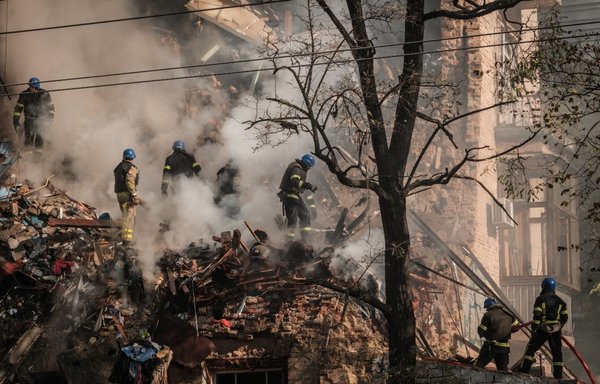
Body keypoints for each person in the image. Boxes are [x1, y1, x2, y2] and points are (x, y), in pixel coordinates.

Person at [519, 276, 568, 379]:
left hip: (543, 329)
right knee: (557, 353)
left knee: (531, 349)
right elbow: (565, 317)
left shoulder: (540, 299)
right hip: (555, 331)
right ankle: (558, 377)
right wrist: (559, 326)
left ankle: (524, 372)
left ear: (543, 286)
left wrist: (534, 330)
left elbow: (537, 316)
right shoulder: (560, 302)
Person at [277, 153, 317, 241]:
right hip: (289, 195)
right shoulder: (297, 168)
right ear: (307, 165)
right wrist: (308, 185)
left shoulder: (299, 168)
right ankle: (288, 241)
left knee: (305, 215)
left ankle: (305, 239)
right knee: (292, 219)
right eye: (309, 167)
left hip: (295, 195)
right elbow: (294, 181)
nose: (309, 169)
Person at [473, 297, 519, 371]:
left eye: (486, 308)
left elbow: (481, 330)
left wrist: (484, 335)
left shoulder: (488, 315)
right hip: (504, 347)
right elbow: (516, 327)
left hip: (491, 346)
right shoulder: (509, 314)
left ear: (488, 307)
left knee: (478, 365)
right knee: (503, 370)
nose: (487, 309)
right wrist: (507, 330)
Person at [13, 77, 55, 148]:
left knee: (39, 139)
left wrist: (49, 120)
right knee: (28, 140)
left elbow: (50, 108)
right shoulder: (24, 95)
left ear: (36, 87)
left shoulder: (44, 94)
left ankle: (38, 156)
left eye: (32, 87)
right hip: (29, 120)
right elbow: (18, 109)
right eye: (29, 86)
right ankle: (28, 156)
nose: (30, 88)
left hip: (41, 120)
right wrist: (15, 121)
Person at [114, 148, 142, 244]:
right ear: (133, 157)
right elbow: (129, 181)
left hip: (119, 195)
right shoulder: (131, 168)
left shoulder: (118, 167)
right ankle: (126, 240)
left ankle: (126, 238)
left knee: (128, 215)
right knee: (128, 218)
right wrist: (134, 194)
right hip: (127, 195)